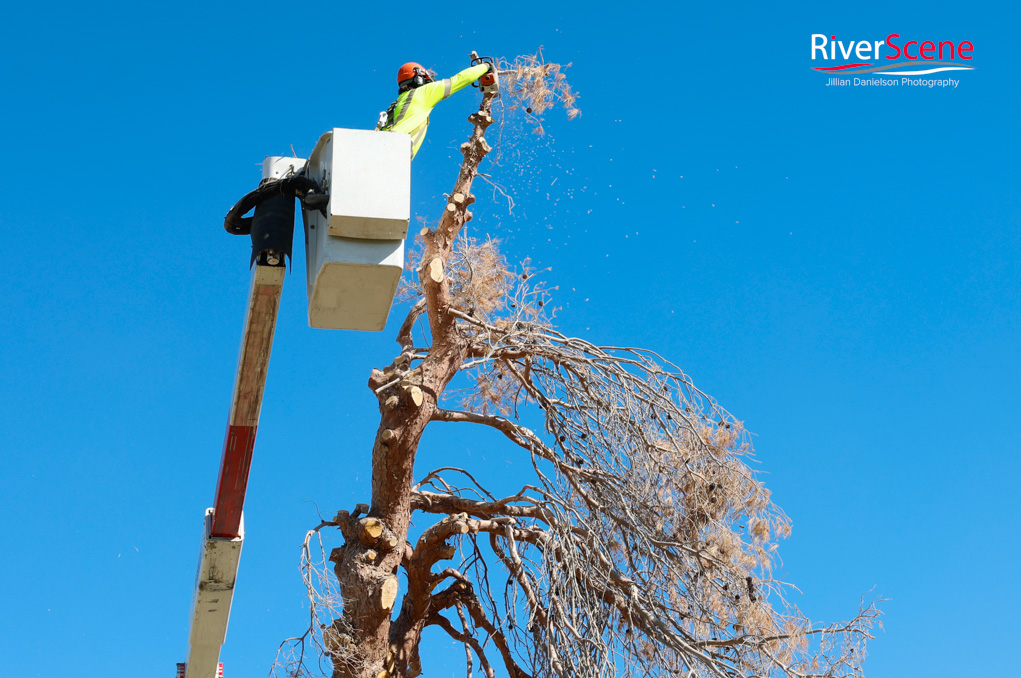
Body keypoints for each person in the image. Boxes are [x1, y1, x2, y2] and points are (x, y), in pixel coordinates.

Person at [377, 61, 492, 159]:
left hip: (378, 149)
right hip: (395, 151)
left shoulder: (397, 103)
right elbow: (458, 80)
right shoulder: (423, 93)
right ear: (419, 79)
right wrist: (486, 66)